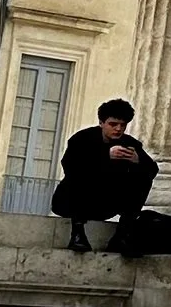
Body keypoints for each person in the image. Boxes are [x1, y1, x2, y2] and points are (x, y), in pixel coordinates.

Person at [51, 99, 157, 252]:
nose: (118, 129)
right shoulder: (82, 139)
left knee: (143, 177)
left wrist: (138, 161)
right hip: (71, 202)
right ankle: (77, 234)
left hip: (106, 203)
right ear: (101, 123)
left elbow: (152, 170)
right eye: (113, 124)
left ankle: (122, 235)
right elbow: (70, 167)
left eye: (122, 125)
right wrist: (105, 155)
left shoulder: (129, 144)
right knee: (79, 176)